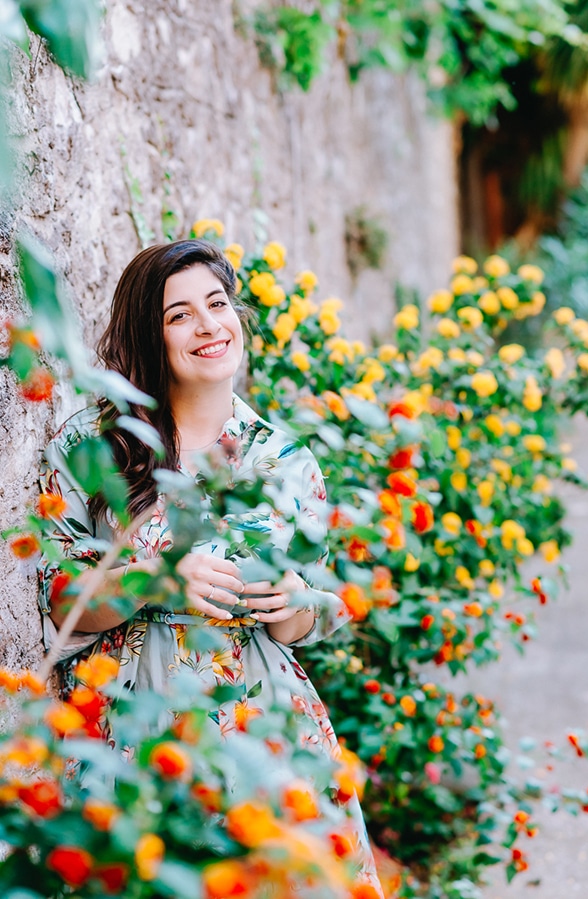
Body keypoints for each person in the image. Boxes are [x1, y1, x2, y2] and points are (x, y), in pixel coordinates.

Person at [38, 238, 383, 895]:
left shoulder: (284, 459)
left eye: (217, 304)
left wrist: (295, 603)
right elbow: (61, 599)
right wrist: (158, 577)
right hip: (129, 721)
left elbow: (325, 608)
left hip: (262, 723)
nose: (207, 326)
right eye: (179, 315)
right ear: (150, 334)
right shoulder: (94, 445)